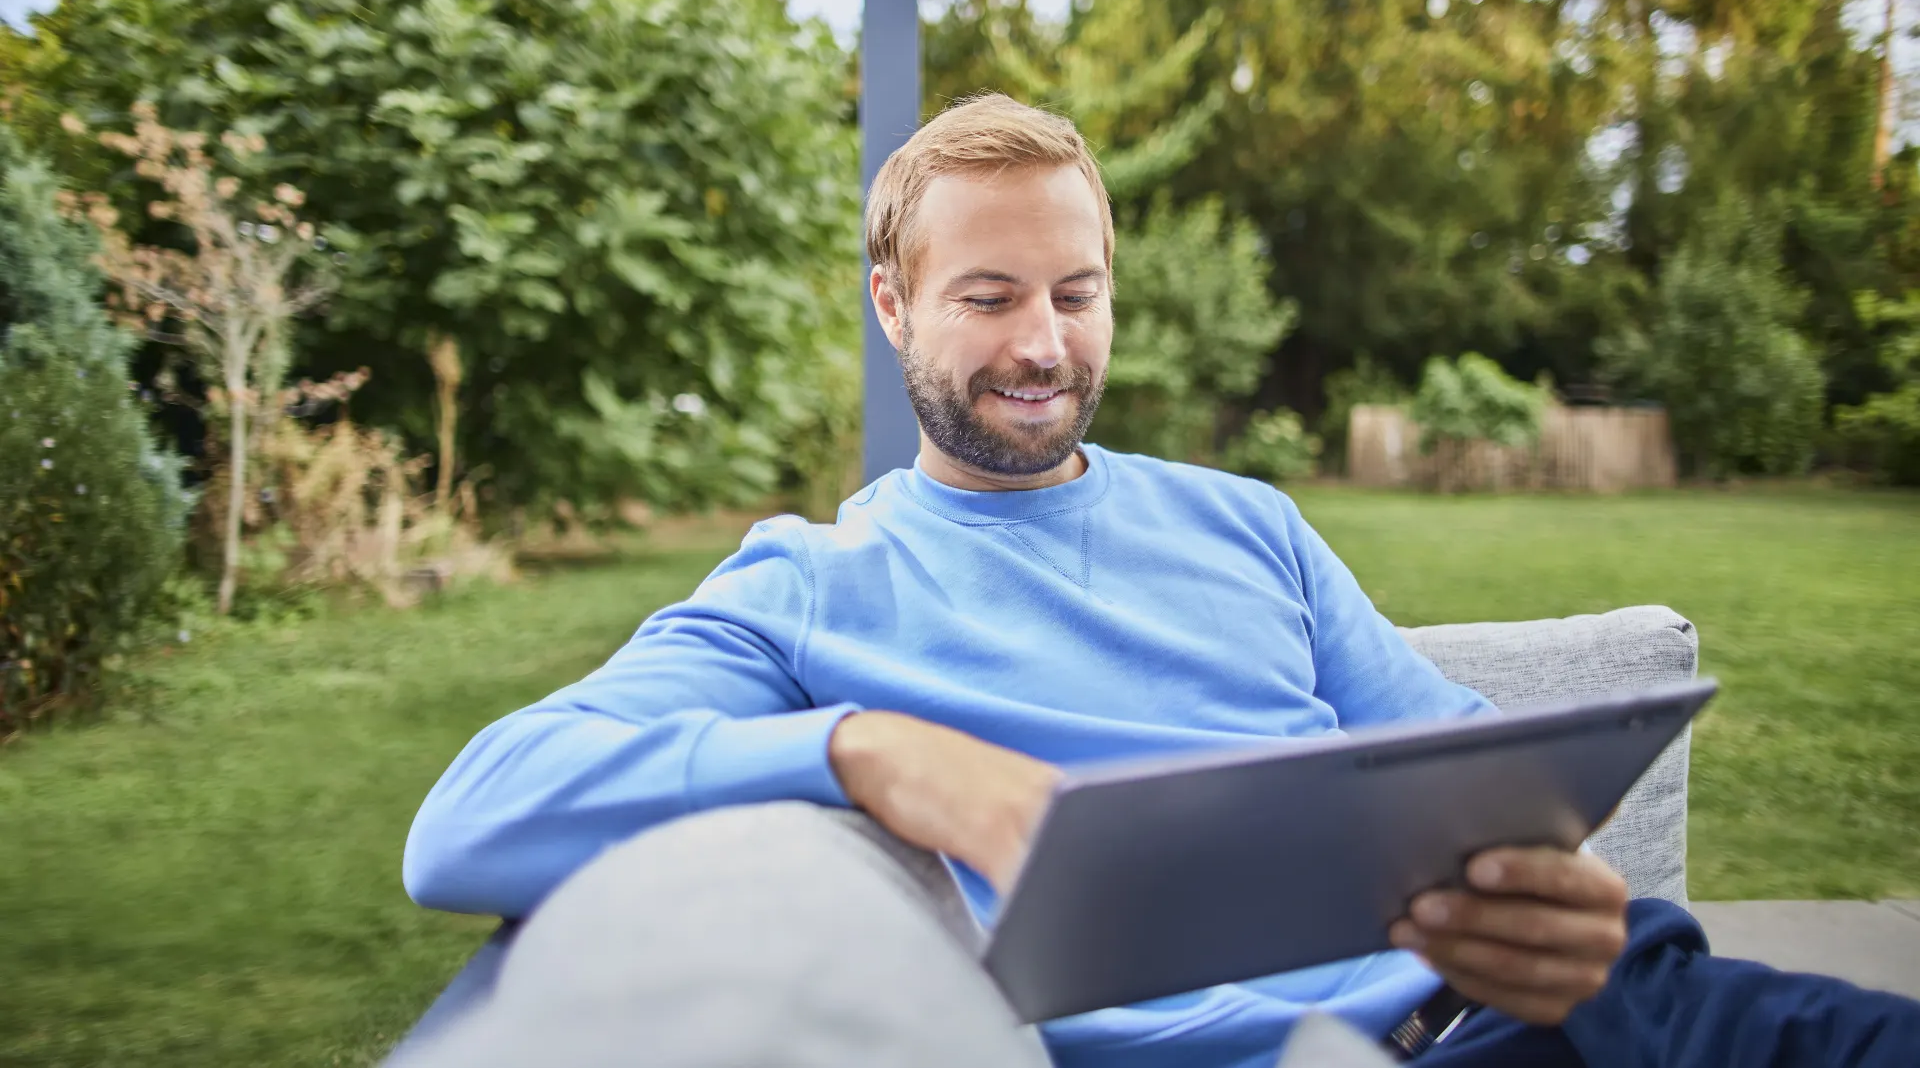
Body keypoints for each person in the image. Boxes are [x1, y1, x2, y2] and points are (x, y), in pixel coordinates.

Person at [402, 95, 1918, 1067]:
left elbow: (1469, 765)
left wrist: (1548, 882)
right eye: (988, 297)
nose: (1044, 343)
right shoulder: (815, 580)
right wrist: (871, 752)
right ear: (892, 306)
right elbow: (466, 824)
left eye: (1076, 291)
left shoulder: (1249, 524)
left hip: (1491, 1026)